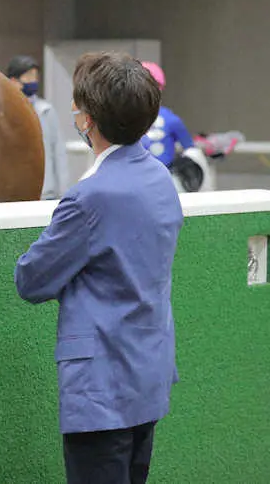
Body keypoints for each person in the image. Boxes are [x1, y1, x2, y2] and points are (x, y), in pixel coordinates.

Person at [15, 51, 181, 484]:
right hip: (147, 375)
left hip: (101, 390)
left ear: (87, 120)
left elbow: (31, 280)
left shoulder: (89, 198)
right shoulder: (160, 178)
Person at [138, 60, 208, 192]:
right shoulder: (171, 119)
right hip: (165, 183)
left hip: (133, 181)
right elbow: (191, 150)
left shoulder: (122, 118)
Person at [6, 54, 67, 199]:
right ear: (14, 81)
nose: (33, 81)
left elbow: (58, 152)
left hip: (46, 192)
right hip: (15, 193)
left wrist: (63, 192)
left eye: (35, 76)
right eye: (28, 76)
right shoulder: (4, 111)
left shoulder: (46, 111)